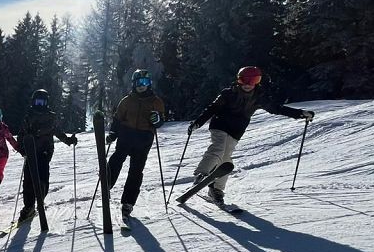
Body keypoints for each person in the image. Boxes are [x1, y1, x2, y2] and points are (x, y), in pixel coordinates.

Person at [188, 66, 314, 203]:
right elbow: (212, 108)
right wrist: (197, 123)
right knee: (218, 147)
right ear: (238, 80)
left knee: (225, 160)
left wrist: (300, 113)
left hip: (236, 130)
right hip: (220, 125)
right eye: (244, 80)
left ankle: (216, 189)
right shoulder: (228, 94)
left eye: (253, 80)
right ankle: (201, 173)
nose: (248, 84)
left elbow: (277, 109)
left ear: (257, 82)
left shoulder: (258, 97)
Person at [106, 69, 166, 219]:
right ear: (134, 84)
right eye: (138, 82)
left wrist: (157, 120)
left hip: (144, 138)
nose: (141, 85)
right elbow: (118, 119)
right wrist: (114, 133)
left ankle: (128, 202)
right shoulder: (127, 100)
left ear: (149, 83)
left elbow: (160, 120)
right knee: (117, 159)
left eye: (144, 82)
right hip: (126, 134)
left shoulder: (155, 101)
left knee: (136, 170)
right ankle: (106, 183)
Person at [17, 89, 77, 221]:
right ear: (34, 102)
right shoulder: (29, 115)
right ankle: (29, 206)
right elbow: (22, 133)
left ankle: (40, 197)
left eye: (42, 102)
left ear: (46, 102)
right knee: (28, 180)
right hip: (31, 152)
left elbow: (58, 131)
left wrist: (68, 140)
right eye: (38, 102)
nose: (40, 105)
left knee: (42, 176)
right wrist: (22, 149)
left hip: (45, 151)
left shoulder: (50, 116)